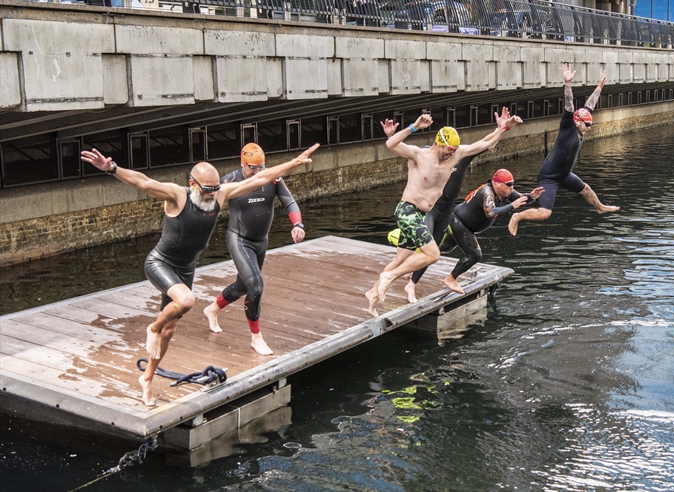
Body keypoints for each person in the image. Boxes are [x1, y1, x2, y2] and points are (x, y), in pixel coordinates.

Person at [79, 144, 319, 406]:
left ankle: (147, 379)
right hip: (161, 263)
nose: (212, 194)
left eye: (216, 188)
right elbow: (144, 182)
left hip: (186, 268)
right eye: (207, 189)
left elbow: (262, 177)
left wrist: (294, 162)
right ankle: (152, 326)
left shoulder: (219, 195)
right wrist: (111, 168)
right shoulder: (177, 195)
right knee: (186, 302)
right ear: (192, 183)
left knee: (169, 332)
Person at [366, 112, 523, 316]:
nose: (451, 155)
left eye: (454, 151)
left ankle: (372, 294)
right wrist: (413, 127)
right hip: (408, 210)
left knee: (400, 258)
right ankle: (390, 278)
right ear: (439, 144)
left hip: (426, 212)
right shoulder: (419, 155)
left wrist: (504, 128)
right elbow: (391, 145)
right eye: (449, 150)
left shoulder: (456, 155)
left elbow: (485, 143)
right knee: (432, 254)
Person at [202, 143, 306, 356]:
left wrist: (297, 224)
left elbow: (290, 202)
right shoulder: (229, 182)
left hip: (261, 241)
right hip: (239, 239)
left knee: (242, 286)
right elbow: (208, 207)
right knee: (256, 286)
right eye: (252, 168)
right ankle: (256, 338)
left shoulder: (272, 178)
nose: (258, 172)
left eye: (261, 167)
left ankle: (211, 309)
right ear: (242, 163)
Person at [508, 63, 619, 236]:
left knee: (586, 189)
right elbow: (569, 106)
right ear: (577, 121)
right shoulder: (568, 126)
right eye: (587, 124)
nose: (589, 128)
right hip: (549, 176)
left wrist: (599, 87)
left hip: (565, 175)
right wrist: (567, 84)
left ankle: (600, 208)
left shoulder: (581, 121)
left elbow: (590, 105)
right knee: (545, 213)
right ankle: (517, 217)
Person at [433, 168, 543, 286]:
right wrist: (511, 205)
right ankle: (450, 279)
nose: (512, 188)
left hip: (466, 225)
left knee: (438, 250)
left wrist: (532, 196)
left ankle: (414, 265)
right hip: (459, 221)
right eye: (509, 184)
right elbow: (490, 213)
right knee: (474, 255)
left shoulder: (506, 192)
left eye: (512, 184)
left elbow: (521, 199)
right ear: (498, 184)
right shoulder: (487, 193)